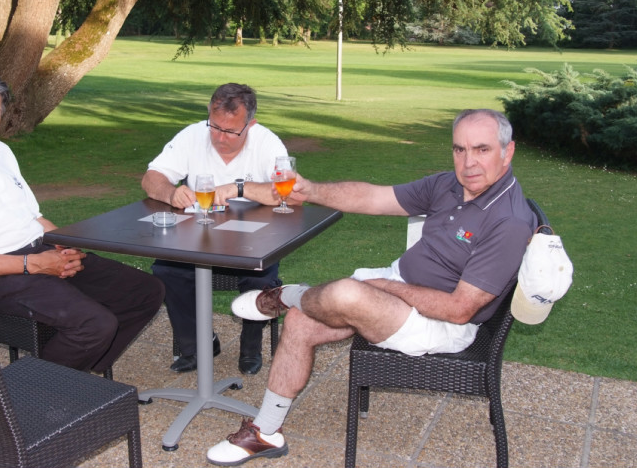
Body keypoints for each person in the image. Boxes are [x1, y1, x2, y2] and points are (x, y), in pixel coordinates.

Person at [206, 108, 537, 465]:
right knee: (301, 322)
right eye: (460, 149)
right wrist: (311, 190)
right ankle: (266, 433)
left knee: (347, 294)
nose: (468, 162)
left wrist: (385, 287)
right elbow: (373, 198)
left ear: (508, 151)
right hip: (399, 286)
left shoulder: (509, 221)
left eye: (482, 149)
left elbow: (458, 310)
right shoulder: (449, 185)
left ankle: (287, 295)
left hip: (440, 323)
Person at [0, 70, 165, 374]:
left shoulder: (0, 151)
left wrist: (65, 245)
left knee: (145, 290)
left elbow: (33, 217)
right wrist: (33, 264)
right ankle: (33, 390)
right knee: (95, 325)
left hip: (40, 251)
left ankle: (81, 372)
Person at [142, 82, 288, 375]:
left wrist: (239, 188)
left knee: (260, 274)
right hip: (199, 235)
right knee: (167, 270)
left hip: (253, 236)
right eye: (215, 126)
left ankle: (250, 346)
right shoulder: (192, 135)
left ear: (250, 124)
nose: (220, 138)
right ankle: (197, 345)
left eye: (230, 131)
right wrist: (170, 193)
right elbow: (151, 178)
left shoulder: (267, 143)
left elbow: (287, 194)